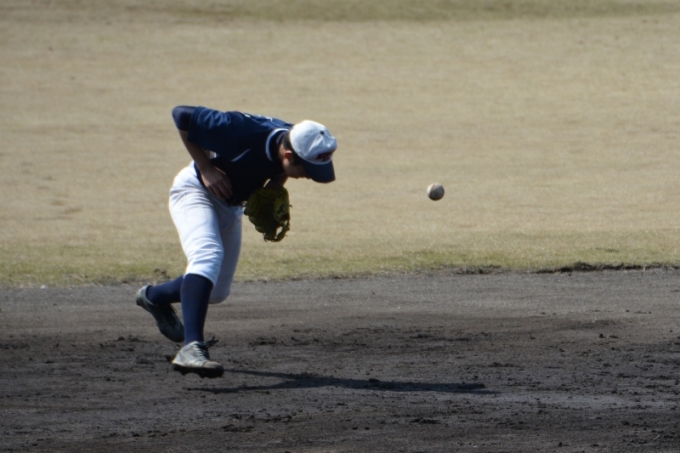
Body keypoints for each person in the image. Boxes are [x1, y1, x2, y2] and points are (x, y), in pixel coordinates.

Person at [135, 105, 337, 378]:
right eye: (307, 169)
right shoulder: (240, 130)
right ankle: (191, 348)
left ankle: (153, 297)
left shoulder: (293, 138)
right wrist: (206, 167)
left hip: (230, 205)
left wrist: (276, 183)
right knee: (207, 256)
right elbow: (181, 115)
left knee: (216, 291)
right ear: (289, 155)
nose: (309, 176)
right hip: (195, 192)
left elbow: (279, 164)